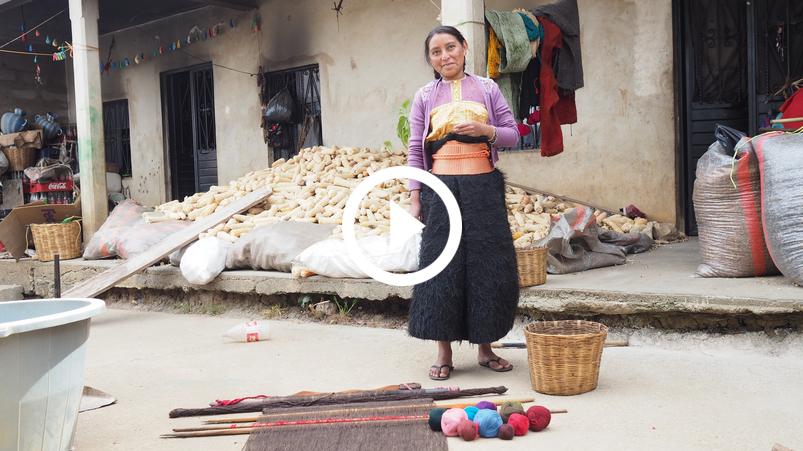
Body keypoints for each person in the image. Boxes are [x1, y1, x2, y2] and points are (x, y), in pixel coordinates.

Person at [407, 25, 521, 380]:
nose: (445, 56)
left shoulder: (487, 88)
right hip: (440, 189)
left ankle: (486, 349)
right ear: (430, 59)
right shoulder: (425, 96)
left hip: (483, 187)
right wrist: (415, 195)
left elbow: (513, 135)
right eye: (436, 52)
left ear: (465, 48)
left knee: (487, 268)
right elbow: (415, 148)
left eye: (451, 47)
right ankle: (443, 352)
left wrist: (486, 131)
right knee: (441, 268)